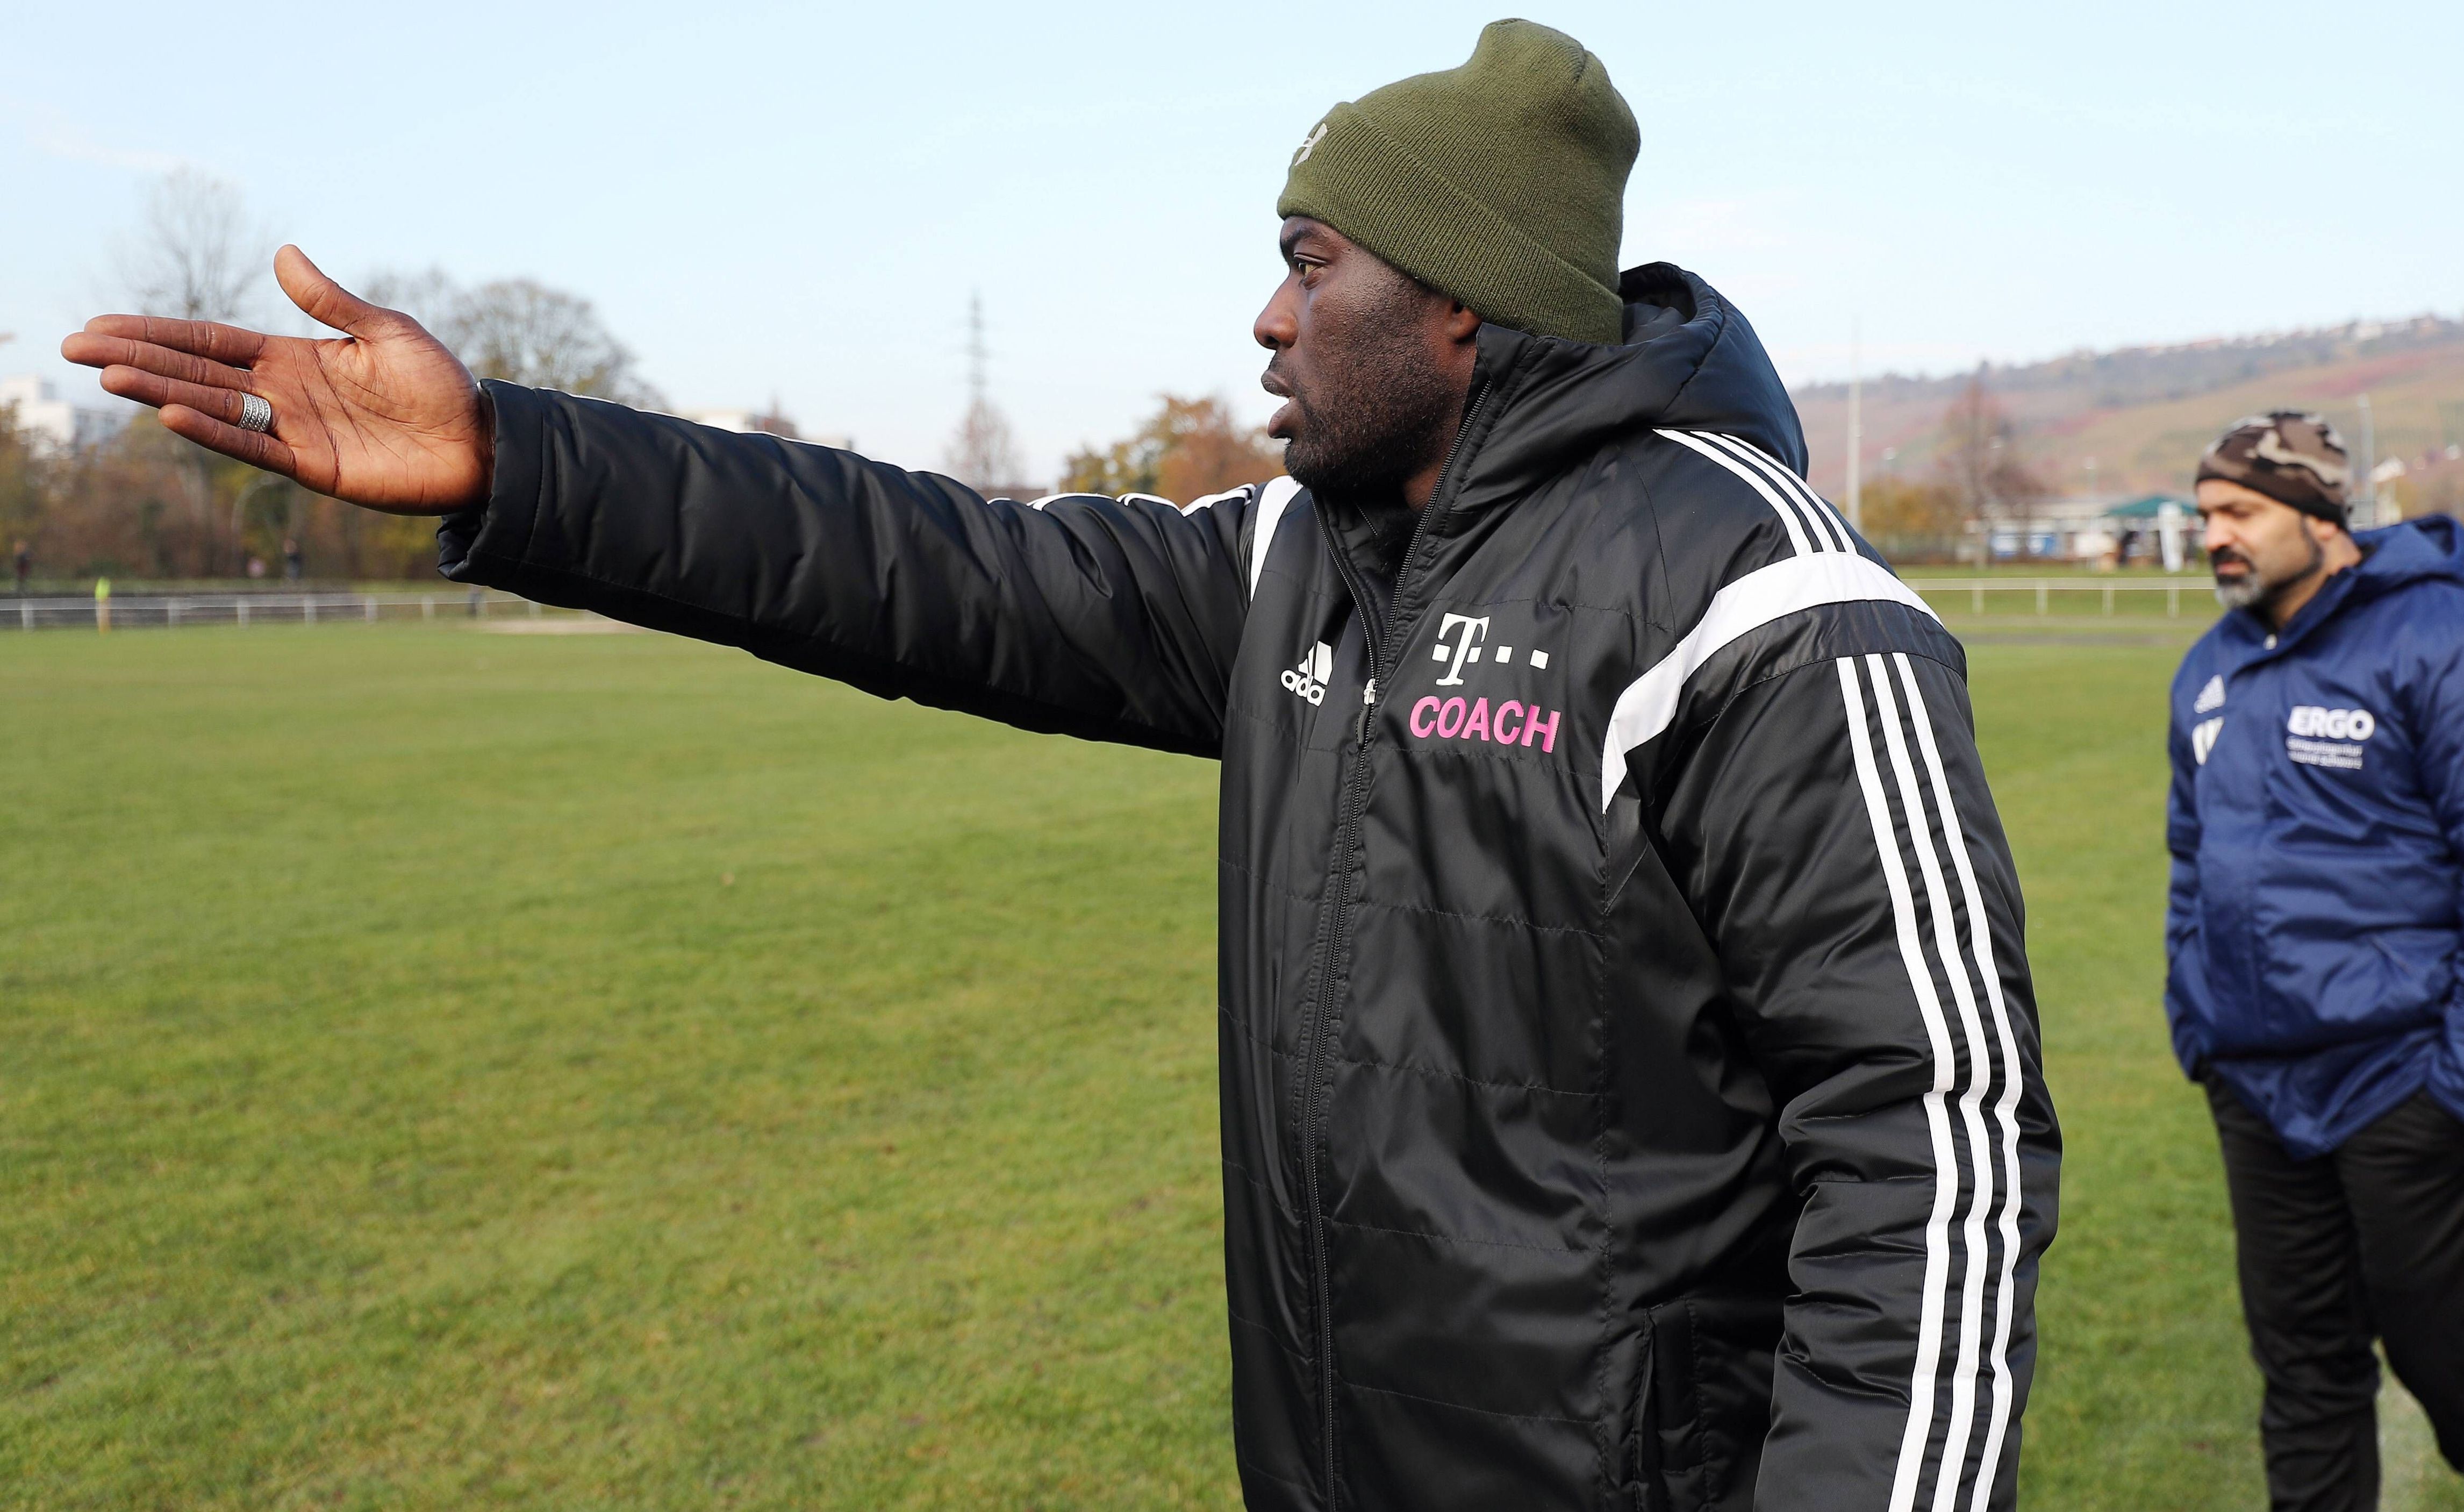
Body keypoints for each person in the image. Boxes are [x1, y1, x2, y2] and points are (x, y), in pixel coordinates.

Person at [64, 23, 2057, 1510]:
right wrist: (519, 459)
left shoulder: (1750, 589)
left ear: (1462, 302)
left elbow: (1938, 1133)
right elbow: (926, 568)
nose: (1267, 318)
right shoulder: (1296, 564)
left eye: (1313, 261)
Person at [2166, 413, 2464, 1512]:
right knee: (2305, 1381)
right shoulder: (2212, 667)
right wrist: (2198, 1015)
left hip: (2409, 1090)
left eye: (2239, 512)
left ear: (2323, 520)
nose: (2210, 534)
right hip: (2258, 1091)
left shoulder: (2456, 642)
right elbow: (2190, 854)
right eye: (2204, 513)